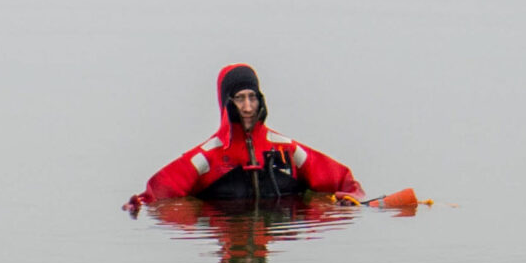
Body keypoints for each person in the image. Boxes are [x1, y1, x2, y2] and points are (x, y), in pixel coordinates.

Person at [123, 64, 364, 213]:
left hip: (278, 230)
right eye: (240, 99)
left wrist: (351, 199)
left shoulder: (287, 149)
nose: (248, 107)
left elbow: (343, 181)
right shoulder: (207, 156)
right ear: (228, 103)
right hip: (227, 232)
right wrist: (137, 205)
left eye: (253, 97)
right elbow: (156, 194)